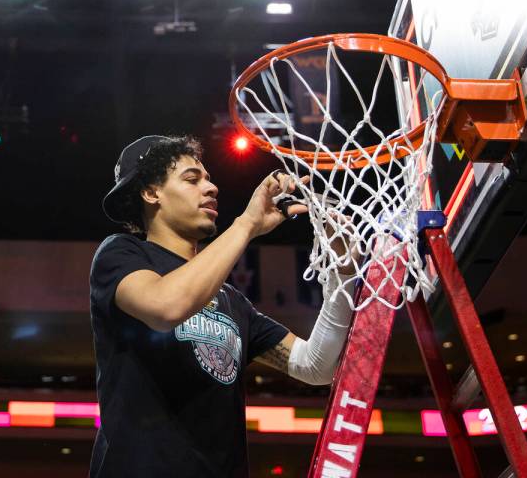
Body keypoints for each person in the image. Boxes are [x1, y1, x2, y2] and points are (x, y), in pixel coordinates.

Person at [89, 135, 356, 477]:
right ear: (152, 192)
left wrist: (343, 274)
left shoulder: (231, 300)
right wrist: (246, 224)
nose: (212, 187)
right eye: (192, 179)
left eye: (209, 178)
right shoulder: (121, 254)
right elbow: (166, 306)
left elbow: (315, 366)